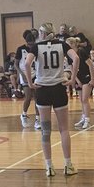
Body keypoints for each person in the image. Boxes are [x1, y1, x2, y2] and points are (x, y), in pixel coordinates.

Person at [25, 22, 77, 178]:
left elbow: (27, 64)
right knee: (64, 129)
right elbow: (77, 58)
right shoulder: (62, 45)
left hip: (43, 91)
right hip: (59, 89)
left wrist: (29, 83)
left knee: (45, 131)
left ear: (42, 33)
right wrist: (72, 79)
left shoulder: (36, 47)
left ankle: (49, 167)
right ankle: (68, 165)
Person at [15, 29, 40, 130]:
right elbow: (16, 64)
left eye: (32, 44)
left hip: (35, 75)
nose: (30, 46)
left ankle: (37, 119)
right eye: (29, 44)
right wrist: (20, 74)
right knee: (28, 96)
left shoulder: (37, 48)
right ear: (26, 43)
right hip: (24, 74)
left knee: (37, 97)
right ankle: (24, 115)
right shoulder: (20, 49)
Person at [72, 35, 94, 130]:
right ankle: (83, 117)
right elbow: (72, 69)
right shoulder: (70, 55)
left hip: (87, 77)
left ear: (73, 44)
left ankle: (87, 120)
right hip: (79, 78)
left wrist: (93, 79)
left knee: (85, 99)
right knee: (81, 100)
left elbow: (90, 65)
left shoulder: (81, 52)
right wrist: (76, 80)